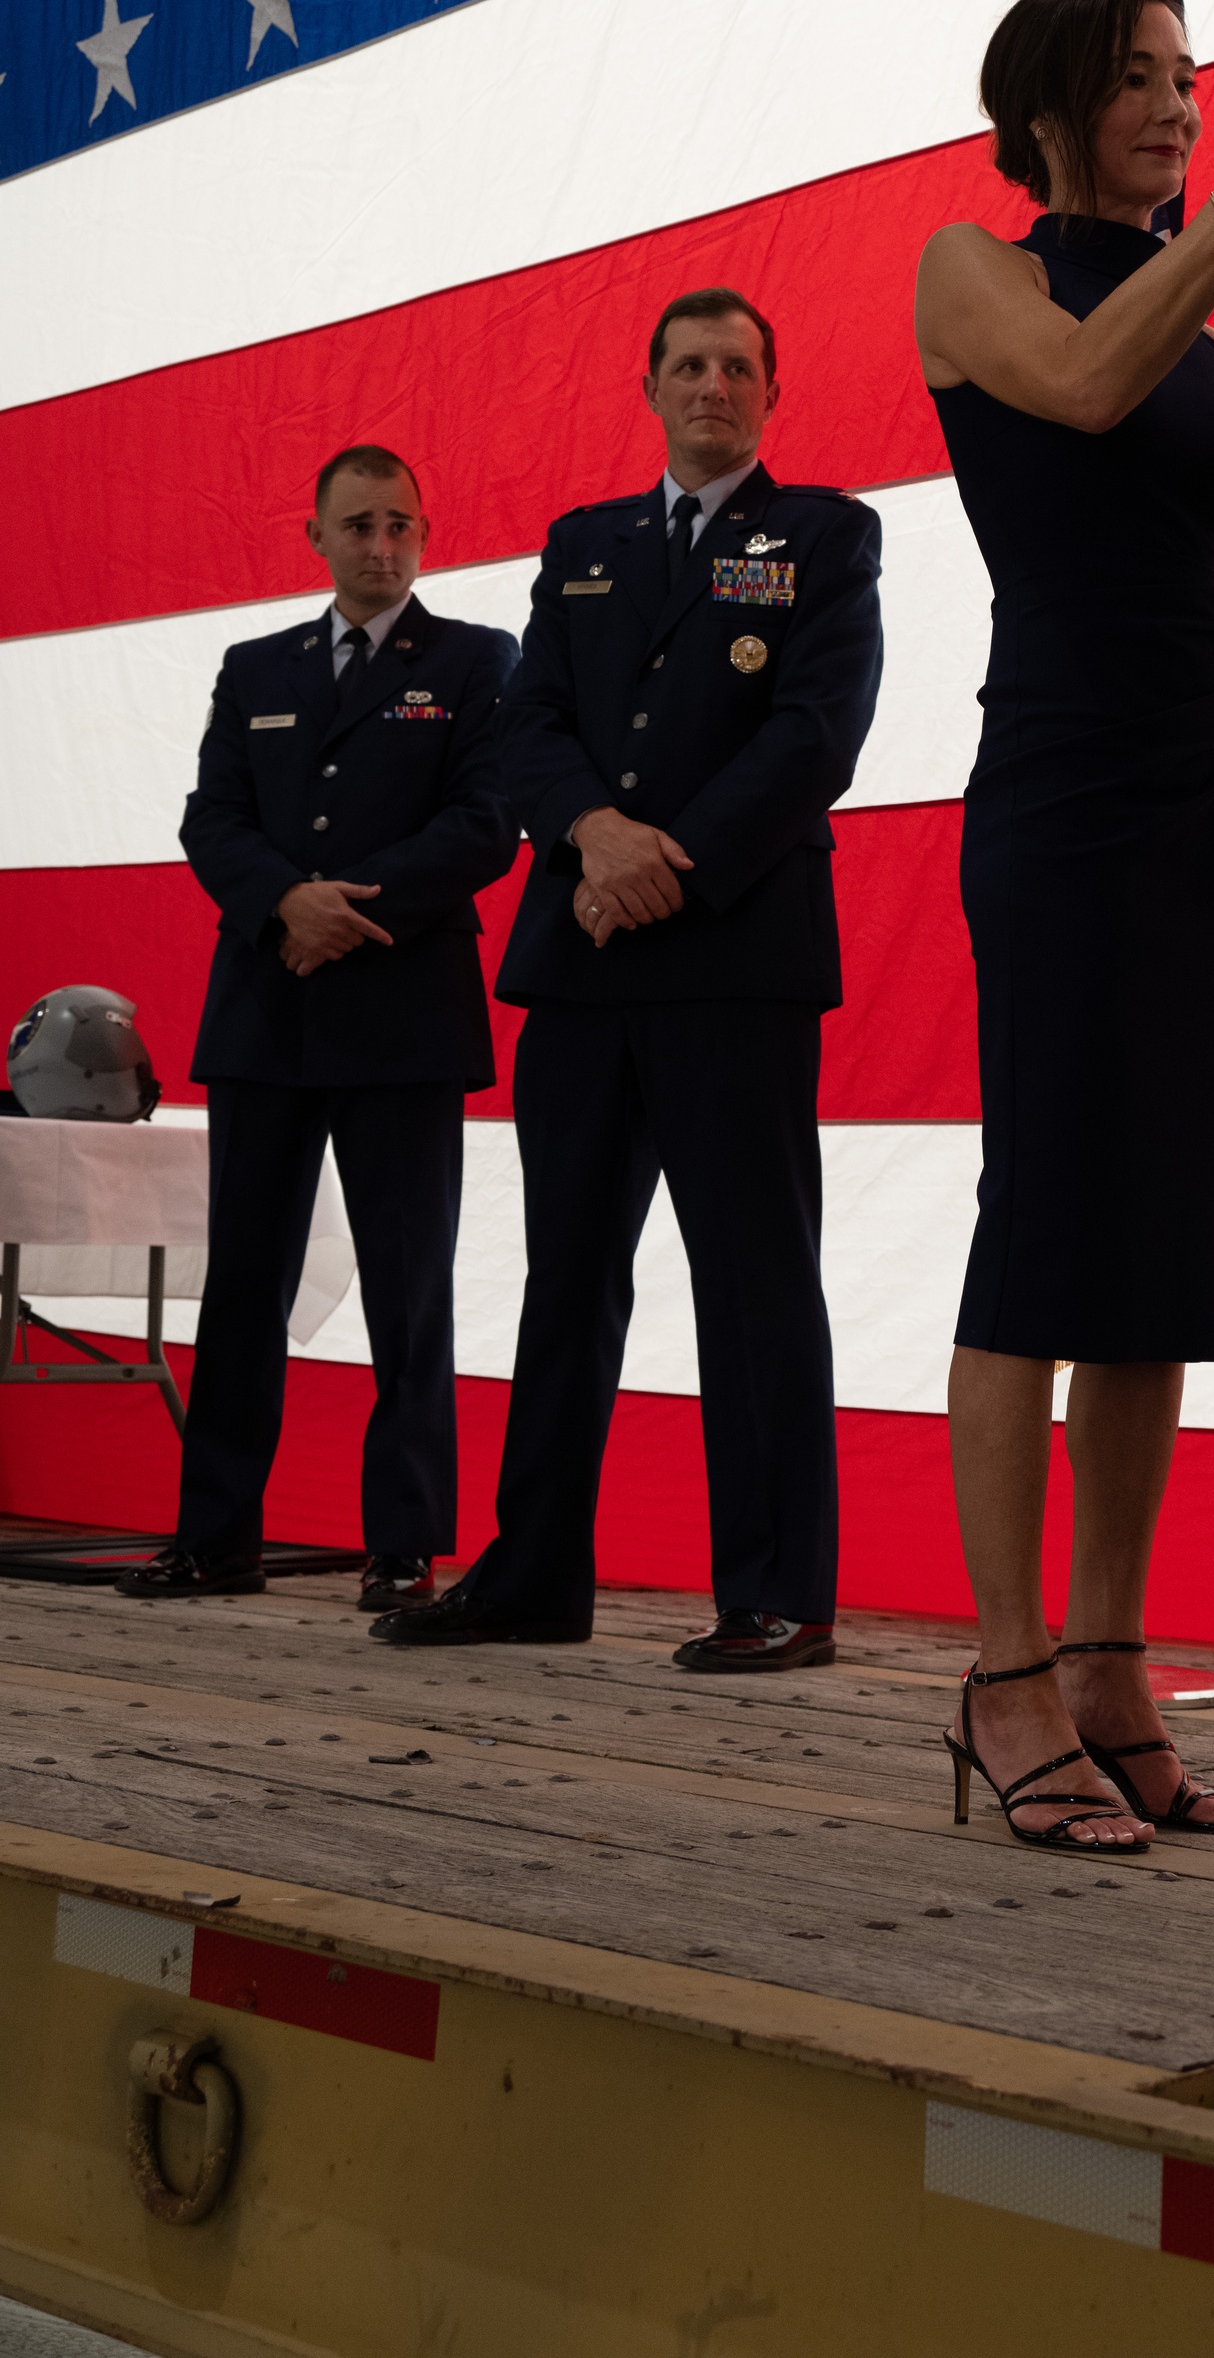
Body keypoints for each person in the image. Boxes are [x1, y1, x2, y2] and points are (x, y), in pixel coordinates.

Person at [914, 0, 1214, 1849]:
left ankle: (1110, 1661)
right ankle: (1003, 1671)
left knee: (1164, 1243)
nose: (1178, 112)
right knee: (1046, 1218)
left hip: (1200, 788)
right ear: (1047, 114)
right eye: (1141, 87)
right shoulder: (978, 270)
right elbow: (1088, 390)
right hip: (1064, 784)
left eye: (1191, 84)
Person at [371, 289, 884, 1667]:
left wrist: (673, 858)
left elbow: (816, 733)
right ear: (649, 387)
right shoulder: (585, 546)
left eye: (737, 367)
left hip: (734, 951)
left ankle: (780, 1593)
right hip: (588, 949)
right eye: (689, 365)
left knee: (755, 1274)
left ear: (771, 392)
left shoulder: (826, 534)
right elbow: (529, 722)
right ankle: (534, 1573)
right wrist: (595, 836)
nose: (713, 385)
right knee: (567, 1276)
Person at [119, 447, 520, 1611]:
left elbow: (485, 826)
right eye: (357, 524)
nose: (379, 544)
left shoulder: (476, 661)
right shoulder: (255, 667)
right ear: (315, 536)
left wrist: (335, 912)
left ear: (426, 533)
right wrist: (280, 904)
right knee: (241, 1279)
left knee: (409, 1285)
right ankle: (216, 1536)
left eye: (398, 523)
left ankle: (402, 1544)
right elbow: (213, 819)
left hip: (401, 1012)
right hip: (266, 1008)